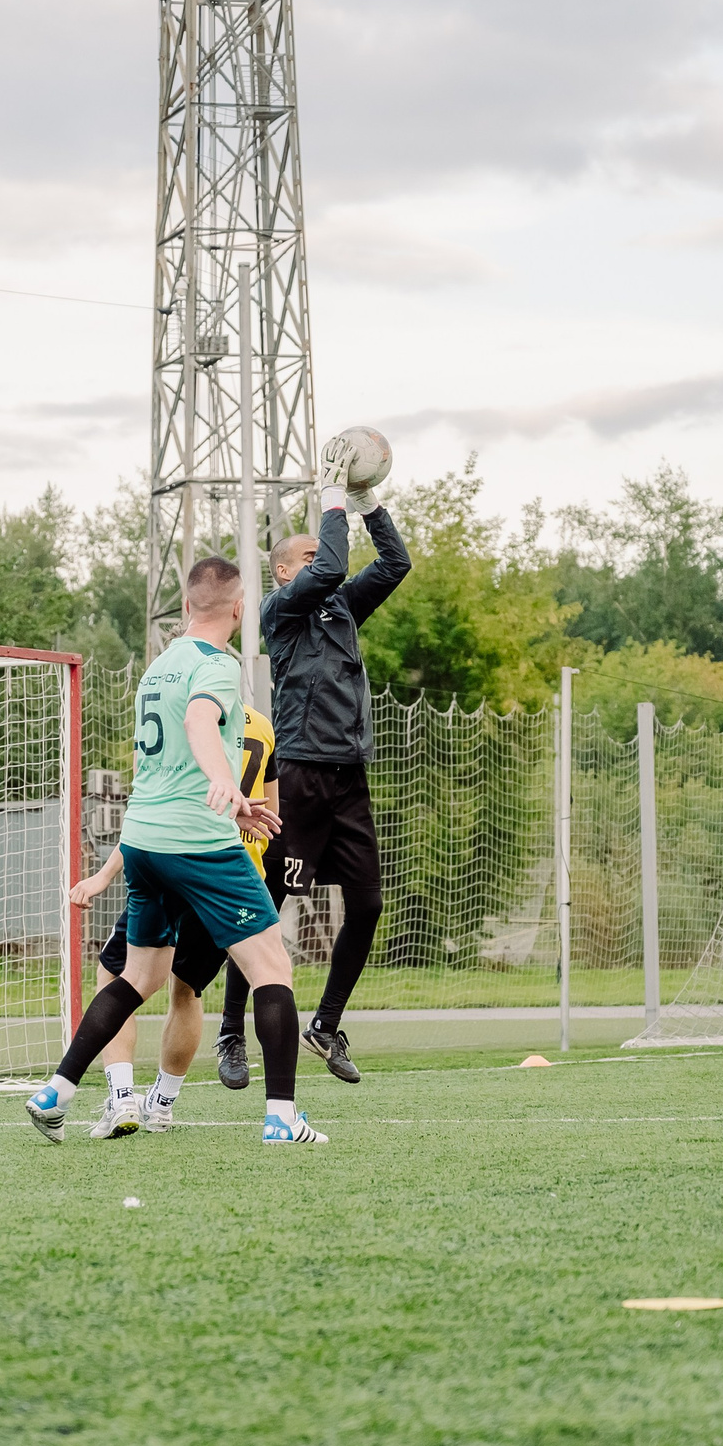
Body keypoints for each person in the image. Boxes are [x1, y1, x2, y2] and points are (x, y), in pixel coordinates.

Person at [26, 557, 322, 1145]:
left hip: (143, 841)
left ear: (187, 606)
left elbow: (163, 766)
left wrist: (230, 799)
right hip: (197, 844)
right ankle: (283, 1117)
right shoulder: (218, 664)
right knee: (272, 968)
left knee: (138, 976)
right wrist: (229, 787)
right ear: (239, 610)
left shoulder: (157, 667)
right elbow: (199, 722)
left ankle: (55, 1092)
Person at [254, 440, 413, 1084]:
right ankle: (233, 1032)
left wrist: (368, 502)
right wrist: (330, 498)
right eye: (309, 556)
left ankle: (325, 1024)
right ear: (283, 574)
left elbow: (396, 562)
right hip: (299, 772)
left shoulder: (341, 607)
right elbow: (328, 569)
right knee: (269, 904)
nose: (323, 561)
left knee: (368, 903)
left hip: (349, 773)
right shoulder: (280, 612)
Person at [69, 702, 278, 1135]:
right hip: (234, 874)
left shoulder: (180, 721)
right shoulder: (262, 726)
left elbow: (151, 809)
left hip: (178, 862)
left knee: (118, 978)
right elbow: (272, 816)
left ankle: (122, 1096)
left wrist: (104, 875)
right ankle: (162, 1105)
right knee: (187, 990)